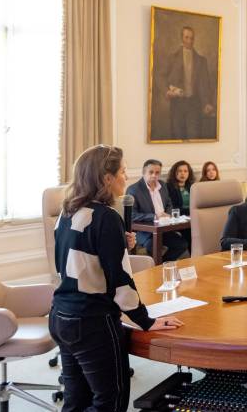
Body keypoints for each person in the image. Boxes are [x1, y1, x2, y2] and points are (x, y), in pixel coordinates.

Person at [50, 145, 182, 412]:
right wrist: (146, 320)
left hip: (61, 316)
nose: (127, 177)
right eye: (122, 171)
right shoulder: (107, 217)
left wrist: (119, 245)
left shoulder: (67, 212)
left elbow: (73, 262)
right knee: (110, 401)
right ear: (106, 178)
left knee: (75, 401)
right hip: (92, 323)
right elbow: (121, 284)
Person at [126, 159, 189, 261]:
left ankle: (162, 265)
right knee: (153, 245)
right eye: (151, 172)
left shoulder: (163, 185)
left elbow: (169, 203)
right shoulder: (134, 190)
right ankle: (157, 267)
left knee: (182, 244)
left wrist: (167, 214)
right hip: (144, 231)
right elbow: (132, 215)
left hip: (163, 228)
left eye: (157, 173)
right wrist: (155, 216)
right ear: (144, 172)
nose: (154, 175)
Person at [166, 26, 215, 140]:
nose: (189, 41)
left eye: (191, 38)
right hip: (177, 104)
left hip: (194, 105)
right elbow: (163, 77)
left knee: (194, 137)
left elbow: (205, 85)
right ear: (181, 38)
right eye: (186, 37)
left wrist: (207, 102)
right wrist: (168, 91)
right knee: (177, 137)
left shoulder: (201, 60)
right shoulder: (172, 58)